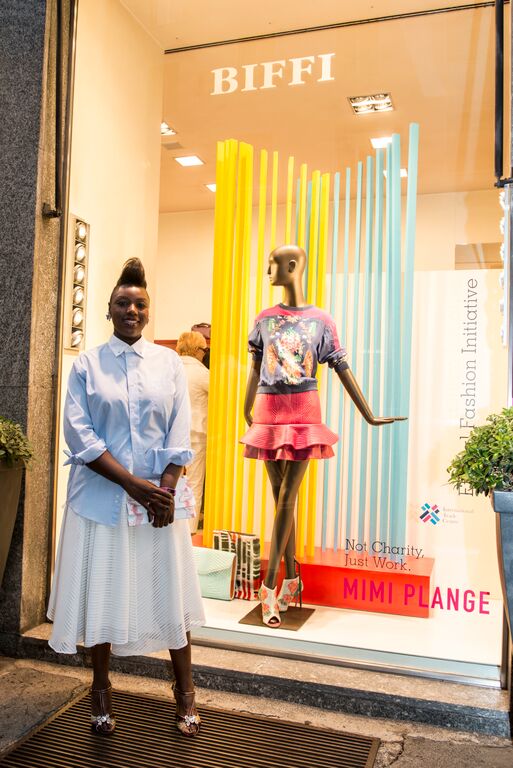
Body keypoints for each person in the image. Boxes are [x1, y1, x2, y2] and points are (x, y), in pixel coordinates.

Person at [48, 258, 205, 736]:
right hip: (101, 502)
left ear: (149, 311)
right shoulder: (87, 365)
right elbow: (80, 435)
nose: (131, 310)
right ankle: (100, 690)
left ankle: (185, 692)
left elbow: (179, 431)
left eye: (139, 303)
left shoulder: (169, 364)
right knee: (104, 593)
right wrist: (133, 485)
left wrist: (165, 490)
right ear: (108, 309)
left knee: (169, 592)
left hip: (159, 503)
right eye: (122, 302)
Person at [241, 244, 405, 628]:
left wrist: (368, 413)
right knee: (281, 500)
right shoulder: (264, 319)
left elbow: (341, 366)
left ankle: (269, 587)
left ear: (291, 266)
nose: (268, 271)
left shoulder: (321, 321)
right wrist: (245, 408)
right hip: (267, 413)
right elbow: (255, 368)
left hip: (303, 413)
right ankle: (292, 579)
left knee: (286, 498)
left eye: (273, 264)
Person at [176, 331, 209, 532]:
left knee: (172, 480)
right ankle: (189, 529)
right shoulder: (202, 373)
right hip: (196, 434)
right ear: (197, 350)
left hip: (172, 435)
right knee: (194, 482)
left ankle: (172, 526)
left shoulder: (171, 368)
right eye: (204, 349)